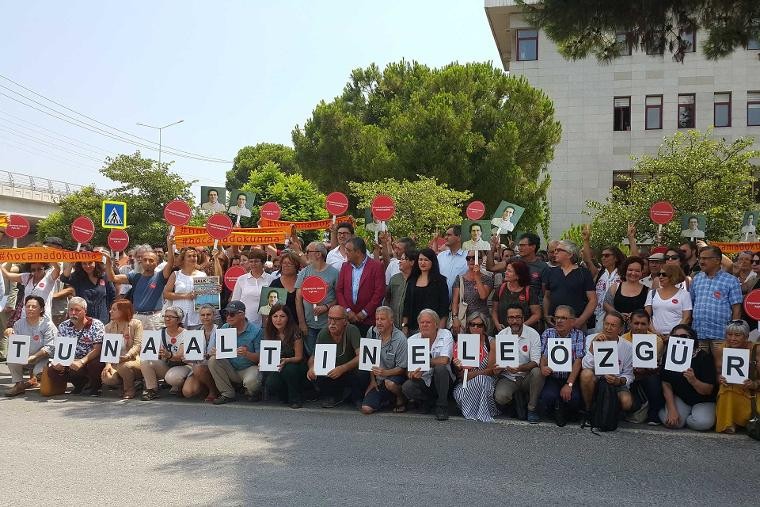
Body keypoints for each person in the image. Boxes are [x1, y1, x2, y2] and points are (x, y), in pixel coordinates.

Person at [106, 234, 175, 330]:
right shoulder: (135, 276)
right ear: (140, 262)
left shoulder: (160, 276)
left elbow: (170, 263)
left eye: (151, 260)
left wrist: (170, 245)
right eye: (145, 260)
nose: (147, 263)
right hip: (137, 317)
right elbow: (112, 278)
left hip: (154, 318)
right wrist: (108, 263)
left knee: (154, 345)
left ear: (156, 263)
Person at [690, 245, 742, 371]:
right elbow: (692, 303)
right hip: (699, 333)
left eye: (706, 258)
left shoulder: (731, 281)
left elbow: (737, 309)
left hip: (721, 335)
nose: (701, 261)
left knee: (721, 369)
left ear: (718, 260)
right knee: (699, 369)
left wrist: (733, 333)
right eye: (700, 258)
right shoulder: (696, 279)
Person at [41, 297, 105, 396]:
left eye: (77, 310)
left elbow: (97, 349)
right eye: (71, 310)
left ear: (85, 311)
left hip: (89, 359)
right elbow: (60, 348)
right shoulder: (63, 326)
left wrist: (82, 361)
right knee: (53, 370)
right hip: (70, 359)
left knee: (96, 364)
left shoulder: (96, 324)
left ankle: (94, 387)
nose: (73, 313)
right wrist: (59, 362)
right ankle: (79, 386)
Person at [306, 305, 367, 408]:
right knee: (316, 373)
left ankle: (357, 397)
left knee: (362, 372)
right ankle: (333, 396)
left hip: (350, 370)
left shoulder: (352, 330)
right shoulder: (323, 333)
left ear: (345, 321)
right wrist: (311, 368)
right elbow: (313, 357)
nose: (332, 323)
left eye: (337, 319)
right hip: (333, 371)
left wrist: (343, 368)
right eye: (330, 318)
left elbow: (361, 356)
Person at [493, 304, 544, 423]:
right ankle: (516, 400)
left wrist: (520, 368)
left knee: (537, 372)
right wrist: (498, 368)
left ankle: (532, 408)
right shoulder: (502, 335)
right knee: (500, 397)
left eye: (517, 317)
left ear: (523, 318)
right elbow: (498, 361)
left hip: (526, 376)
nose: (514, 321)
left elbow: (536, 361)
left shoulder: (533, 334)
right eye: (511, 318)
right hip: (509, 377)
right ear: (507, 319)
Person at [659, 324, 717, 430]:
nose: (680, 340)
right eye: (675, 337)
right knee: (673, 423)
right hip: (681, 398)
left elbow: (708, 390)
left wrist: (694, 381)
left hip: (703, 400)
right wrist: (672, 410)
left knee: (702, 423)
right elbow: (666, 383)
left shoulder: (704, 357)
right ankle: (663, 411)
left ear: (693, 339)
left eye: (684, 337)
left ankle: (687, 419)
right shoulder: (668, 355)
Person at [401, 309, 454, 421]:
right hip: (424, 380)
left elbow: (444, 360)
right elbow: (409, 367)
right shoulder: (412, 340)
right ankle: (428, 402)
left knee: (440, 368)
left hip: (444, 380)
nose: (424, 325)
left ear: (436, 324)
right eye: (422, 322)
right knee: (407, 386)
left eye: (428, 322)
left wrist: (425, 363)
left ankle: (442, 406)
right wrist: (411, 374)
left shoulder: (446, 335)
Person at [579, 312, 634, 416]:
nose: (608, 328)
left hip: (615, 381)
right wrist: (592, 348)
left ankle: (608, 413)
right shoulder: (590, 338)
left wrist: (618, 381)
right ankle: (588, 410)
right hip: (596, 379)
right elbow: (585, 366)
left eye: (613, 325)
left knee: (627, 402)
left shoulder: (628, 347)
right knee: (586, 374)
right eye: (606, 324)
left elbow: (629, 375)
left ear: (621, 329)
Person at [538, 305, 585, 426]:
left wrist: (569, 384)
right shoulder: (548, 333)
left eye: (563, 318)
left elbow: (578, 361)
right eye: (556, 317)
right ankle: (557, 407)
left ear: (572, 321)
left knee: (574, 399)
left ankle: (564, 408)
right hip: (553, 377)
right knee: (547, 398)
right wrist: (543, 367)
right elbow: (543, 355)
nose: (558, 321)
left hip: (570, 378)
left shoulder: (579, 335)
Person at [208, 301, 263, 404]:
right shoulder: (224, 328)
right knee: (213, 360)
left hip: (248, 368)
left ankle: (254, 392)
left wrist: (247, 354)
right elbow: (217, 349)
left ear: (241, 314)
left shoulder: (256, 331)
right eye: (226, 313)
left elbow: (261, 358)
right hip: (230, 367)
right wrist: (215, 351)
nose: (228, 317)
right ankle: (227, 393)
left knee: (252, 382)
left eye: (232, 314)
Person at [3, 296, 57, 397]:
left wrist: (34, 357)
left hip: (43, 358)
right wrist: (10, 333)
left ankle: (36, 379)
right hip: (25, 356)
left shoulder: (48, 325)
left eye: (34, 307)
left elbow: (50, 347)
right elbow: (16, 344)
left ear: (41, 309)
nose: (30, 309)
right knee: (11, 358)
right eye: (28, 306)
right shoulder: (19, 323)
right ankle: (19, 385)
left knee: (39, 372)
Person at [451, 312, 499, 422]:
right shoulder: (463, 342)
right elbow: (461, 375)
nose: (475, 328)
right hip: (466, 382)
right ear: (468, 326)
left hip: (487, 380)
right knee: (459, 393)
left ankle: (483, 412)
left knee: (481, 380)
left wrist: (472, 374)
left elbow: (491, 371)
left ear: (485, 327)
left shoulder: (491, 342)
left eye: (479, 325)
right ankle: (471, 411)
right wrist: (458, 366)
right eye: (472, 324)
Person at [360, 306, 408, 414]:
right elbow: (369, 362)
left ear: (391, 321)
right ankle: (385, 400)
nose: (379, 322)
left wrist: (386, 372)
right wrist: (372, 381)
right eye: (377, 319)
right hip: (378, 379)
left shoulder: (401, 339)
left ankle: (401, 397)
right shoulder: (371, 332)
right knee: (366, 409)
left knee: (390, 383)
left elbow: (402, 368)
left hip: (394, 377)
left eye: (382, 319)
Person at [715, 320, 760, 433]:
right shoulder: (722, 349)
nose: (732, 338)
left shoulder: (756, 349)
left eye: (737, 335)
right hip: (733, 389)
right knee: (726, 388)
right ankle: (728, 423)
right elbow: (717, 373)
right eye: (729, 335)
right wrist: (719, 378)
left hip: (754, 391)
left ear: (746, 336)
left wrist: (754, 384)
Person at [295, 242, 339, 357]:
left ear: (318, 254)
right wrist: (302, 323)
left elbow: (338, 298)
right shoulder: (304, 272)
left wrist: (326, 307)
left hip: (328, 324)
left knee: (326, 356)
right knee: (312, 356)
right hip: (309, 325)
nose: (306, 254)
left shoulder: (334, 273)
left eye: (308, 252)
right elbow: (298, 299)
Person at [336, 237, 386, 336]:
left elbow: (379, 293)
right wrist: (348, 311)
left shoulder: (376, 266)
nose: (346, 253)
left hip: (369, 321)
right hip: (348, 320)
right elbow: (339, 291)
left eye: (349, 250)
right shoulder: (345, 266)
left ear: (358, 252)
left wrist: (364, 312)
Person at [622, 310, 665, 425]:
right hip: (629, 377)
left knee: (654, 378)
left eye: (643, 324)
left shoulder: (657, 340)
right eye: (636, 323)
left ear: (648, 324)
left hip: (647, 377)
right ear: (630, 323)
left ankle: (653, 413)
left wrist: (649, 369)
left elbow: (656, 365)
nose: (639, 327)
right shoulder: (622, 339)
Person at [581, 225, 627, 332]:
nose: (603, 258)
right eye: (602, 255)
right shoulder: (599, 272)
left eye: (607, 255)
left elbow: (635, 258)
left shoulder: (623, 273)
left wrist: (631, 239)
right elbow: (588, 260)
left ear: (615, 258)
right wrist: (586, 240)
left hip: (616, 313)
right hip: (598, 315)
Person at [139, 306, 190, 401]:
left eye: (171, 317)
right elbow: (148, 353)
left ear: (179, 320)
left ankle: (181, 385)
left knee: (173, 378)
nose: (167, 319)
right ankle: (151, 389)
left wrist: (168, 355)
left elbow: (180, 356)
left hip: (183, 366)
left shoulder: (186, 334)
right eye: (165, 316)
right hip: (167, 365)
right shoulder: (158, 333)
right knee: (145, 361)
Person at [543, 240, 596, 331]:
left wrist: (581, 320)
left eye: (559, 250)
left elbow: (593, 300)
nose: (555, 252)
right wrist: (546, 315)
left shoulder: (583, 273)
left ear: (570, 254)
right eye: (555, 250)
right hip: (554, 324)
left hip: (577, 324)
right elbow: (547, 297)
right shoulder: (550, 272)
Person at [263, 304, 307, 408]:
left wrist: (286, 360)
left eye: (282, 316)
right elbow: (267, 352)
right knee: (271, 383)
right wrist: (264, 361)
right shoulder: (269, 332)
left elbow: (299, 357)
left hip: (296, 365)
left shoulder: (295, 331)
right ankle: (285, 395)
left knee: (289, 370)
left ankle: (296, 399)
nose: (278, 320)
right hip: (278, 366)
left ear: (288, 318)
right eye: (275, 316)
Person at [100, 300, 143, 399]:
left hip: (133, 359)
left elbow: (137, 345)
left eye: (114, 309)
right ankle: (124, 384)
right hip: (116, 361)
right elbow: (108, 349)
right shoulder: (108, 327)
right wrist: (108, 365)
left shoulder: (136, 324)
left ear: (123, 311)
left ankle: (129, 389)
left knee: (124, 366)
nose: (110, 311)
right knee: (107, 378)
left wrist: (127, 356)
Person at [401, 248, 449, 335]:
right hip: (413, 328)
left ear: (432, 262)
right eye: (420, 260)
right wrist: (404, 326)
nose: (422, 263)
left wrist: (440, 331)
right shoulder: (412, 280)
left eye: (426, 260)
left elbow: (444, 308)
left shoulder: (440, 281)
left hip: (434, 329)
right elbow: (406, 306)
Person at [489, 232, 547, 304]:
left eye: (522, 245)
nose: (519, 248)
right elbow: (491, 267)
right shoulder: (513, 260)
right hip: (511, 307)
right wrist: (492, 247)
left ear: (533, 247)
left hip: (533, 308)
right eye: (519, 245)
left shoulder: (543, 267)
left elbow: (546, 294)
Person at [180, 304, 221, 401]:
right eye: (202, 315)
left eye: (208, 314)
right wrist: (187, 359)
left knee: (198, 368)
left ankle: (213, 390)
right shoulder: (194, 332)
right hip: (198, 366)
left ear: (214, 316)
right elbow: (190, 355)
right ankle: (206, 387)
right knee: (188, 392)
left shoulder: (221, 330)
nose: (205, 317)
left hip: (216, 366)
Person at [59, 254, 115, 324]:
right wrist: (71, 263)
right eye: (84, 264)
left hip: (103, 319)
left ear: (96, 263)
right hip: (83, 320)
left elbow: (112, 295)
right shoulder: (77, 277)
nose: (87, 266)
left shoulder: (104, 276)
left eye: (90, 263)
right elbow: (64, 278)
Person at [162, 247, 206, 329]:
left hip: (196, 318)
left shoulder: (202, 275)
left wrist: (215, 290)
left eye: (194, 256)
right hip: (178, 319)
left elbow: (207, 295)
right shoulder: (176, 274)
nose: (192, 258)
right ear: (183, 259)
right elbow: (166, 294)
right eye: (189, 256)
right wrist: (186, 296)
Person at [451, 250, 494, 335]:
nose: (471, 260)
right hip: (464, 320)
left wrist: (477, 276)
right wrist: (455, 318)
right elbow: (455, 302)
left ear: (481, 260)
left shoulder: (487, 278)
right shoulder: (459, 279)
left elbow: (483, 296)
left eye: (474, 258)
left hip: (482, 321)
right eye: (468, 258)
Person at [491, 260, 541, 332]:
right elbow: (494, 310)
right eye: (506, 270)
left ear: (518, 276)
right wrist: (497, 324)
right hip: (503, 332)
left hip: (523, 332)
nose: (506, 273)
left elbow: (537, 314)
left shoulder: (529, 291)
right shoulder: (500, 288)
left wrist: (522, 326)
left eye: (509, 271)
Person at [231, 249, 275, 326]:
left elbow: (274, 303)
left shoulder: (271, 279)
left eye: (256, 261)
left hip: (266, 323)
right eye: (251, 261)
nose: (253, 264)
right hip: (245, 322)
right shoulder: (241, 279)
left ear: (263, 262)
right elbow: (235, 301)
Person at [645, 263, 692, 335]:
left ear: (673, 276)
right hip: (655, 337)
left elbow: (686, 318)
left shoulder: (684, 294)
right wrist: (654, 332)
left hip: (677, 337)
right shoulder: (652, 293)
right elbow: (647, 316)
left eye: (664, 274)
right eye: (659, 274)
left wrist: (674, 334)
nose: (660, 277)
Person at [603, 256, 648, 326]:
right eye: (630, 270)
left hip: (638, 330)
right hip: (617, 328)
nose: (633, 273)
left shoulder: (648, 291)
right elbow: (606, 304)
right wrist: (619, 315)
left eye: (637, 271)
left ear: (642, 272)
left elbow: (648, 312)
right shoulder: (615, 287)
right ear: (625, 270)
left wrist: (634, 316)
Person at [384, 249, 417, 329]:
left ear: (412, 262)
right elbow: (387, 300)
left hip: (413, 327)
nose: (399, 262)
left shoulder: (419, 280)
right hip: (394, 326)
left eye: (402, 259)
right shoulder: (394, 279)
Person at [437, 225, 468, 297]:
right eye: (446, 235)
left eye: (449, 235)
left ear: (459, 237)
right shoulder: (440, 256)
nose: (445, 237)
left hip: (460, 304)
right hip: (440, 302)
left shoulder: (469, 257)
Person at [268, 251, 300, 318]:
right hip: (280, 324)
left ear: (296, 265)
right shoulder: (275, 283)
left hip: (299, 323)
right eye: (284, 263)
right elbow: (268, 309)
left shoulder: (301, 282)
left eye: (289, 263)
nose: (286, 265)